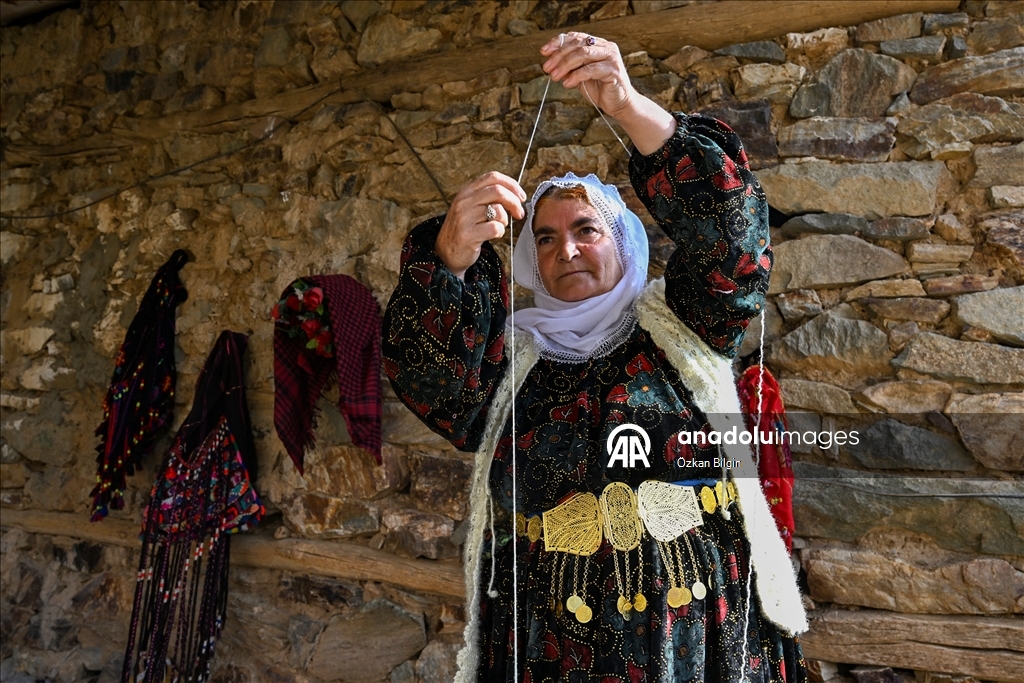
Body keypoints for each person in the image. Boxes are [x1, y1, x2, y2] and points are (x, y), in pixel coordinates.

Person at [382, 32, 808, 683]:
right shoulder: (506, 365)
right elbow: (430, 380)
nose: (568, 250)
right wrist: (449, 257)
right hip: (544, 636)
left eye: (586, 229)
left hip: (690, 629)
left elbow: (735, 243)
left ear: (624, 242)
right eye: (545, 239)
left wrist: (628, 105)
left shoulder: (688, 323)